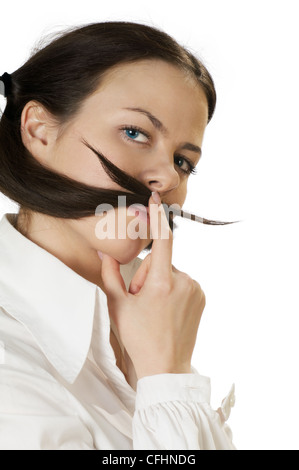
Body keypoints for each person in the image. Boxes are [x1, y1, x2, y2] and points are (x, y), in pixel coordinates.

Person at [0, 21, 236, 450]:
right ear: (38, 130)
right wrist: (165, 378)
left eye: (183, 161)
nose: (167, 176)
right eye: (135, 133)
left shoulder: (146, 322)